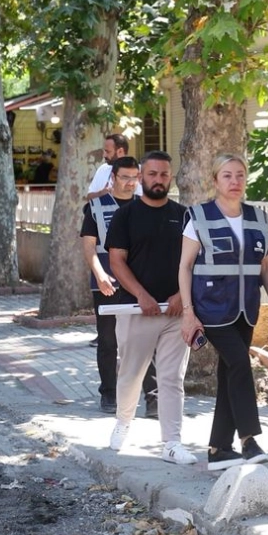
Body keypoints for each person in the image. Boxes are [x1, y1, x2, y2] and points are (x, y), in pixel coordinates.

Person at [178, 153, 268, 470]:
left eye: (240, 175)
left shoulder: (258, 217)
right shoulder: (199, 217)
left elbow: (266, 266)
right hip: (210, 309)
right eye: (227, 175)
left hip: (245, 310)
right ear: (215, 180)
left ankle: (219, 449)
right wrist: (188, 313)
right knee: (239, 363)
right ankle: (249, 439)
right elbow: (184, 267)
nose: (235, 181)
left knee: (229, 374)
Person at [104, 151, 197, 464]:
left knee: (172, 378)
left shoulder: (185, 216)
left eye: (164, 174)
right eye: (153, 174)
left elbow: (195, 261)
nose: (159, 180)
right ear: (141, 177)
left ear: (171, 177)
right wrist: (141, 295)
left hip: (176, 312)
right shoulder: (126, 216)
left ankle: (172, 443)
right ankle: (123, 422)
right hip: (136, 311)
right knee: (131, 374)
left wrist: (182, 296)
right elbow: (116, 261)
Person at [80, 155, 156, 417]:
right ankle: (109, 394)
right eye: (125, 177)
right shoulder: (96, 207)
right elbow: (88, 246)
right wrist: (100, 274)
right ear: (113, 177)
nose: (131, 183)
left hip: (141, 284)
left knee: (146, 338)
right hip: (107, 283)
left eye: (135, 178)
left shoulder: (147, 206)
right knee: (108, 340)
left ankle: (153, 398)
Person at [86, 133, 131, 200]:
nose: (104, 155)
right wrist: (101, 194)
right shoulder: (103, 169)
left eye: (108, 152)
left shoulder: (137, 171)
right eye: (104, 151)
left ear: (120, 151)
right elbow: (89, 197)